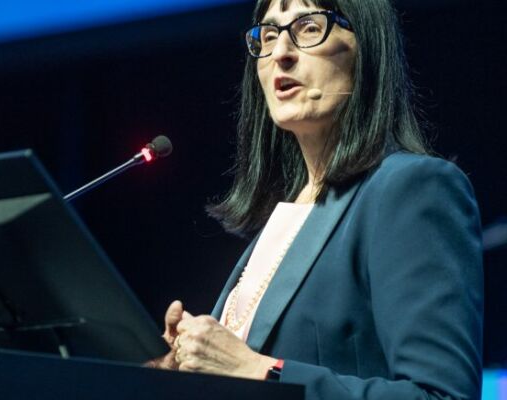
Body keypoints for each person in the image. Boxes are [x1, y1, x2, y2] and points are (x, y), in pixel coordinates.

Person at [150, 0, 483, 399]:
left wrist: (260, 371)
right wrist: (180, 368)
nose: (281, 53)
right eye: (268, 35)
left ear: (367, 47)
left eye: (309, 27)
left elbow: (442, 395)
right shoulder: (287, 217)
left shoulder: (412, 188)